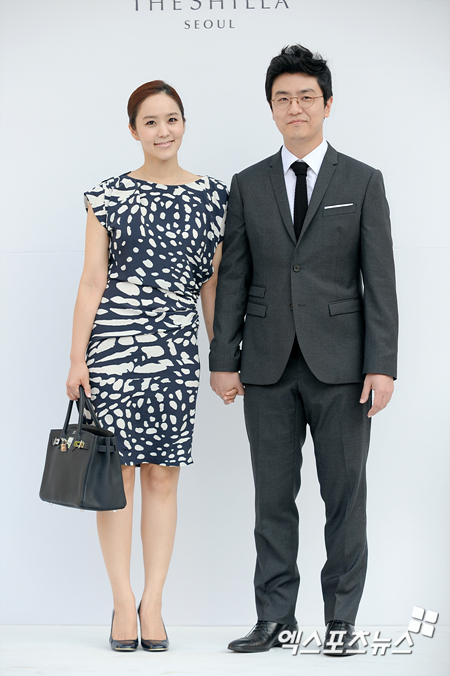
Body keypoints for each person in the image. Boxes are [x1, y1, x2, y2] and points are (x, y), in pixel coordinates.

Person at [210, 45, 398, 656]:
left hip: (343, 368)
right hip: (265, 367)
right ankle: (275, 618)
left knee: (344, 498)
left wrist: (382, 366)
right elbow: (233, 278)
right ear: (271, 109)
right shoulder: (247, 184)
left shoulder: (362, 180)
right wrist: (223, 359)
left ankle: (341, 621)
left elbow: (380, 280)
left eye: (306, 97)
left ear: (327, 104)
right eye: (283, 98)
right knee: (272, 500)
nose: (295, 107)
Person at [66, 80, 229, 652]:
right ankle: (121, 602)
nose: (164, 130)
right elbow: (92, 281)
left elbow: (212, 285)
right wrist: (77, 358)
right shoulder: (107, 195)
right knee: (119, 477)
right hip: (113, 351)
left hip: (176, 353)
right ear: (133, 130)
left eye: (172, 119)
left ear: (184, 124)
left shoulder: (214, 197)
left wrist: (221, 357)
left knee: (163, 475)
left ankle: (153, 603)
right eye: (151, 121)